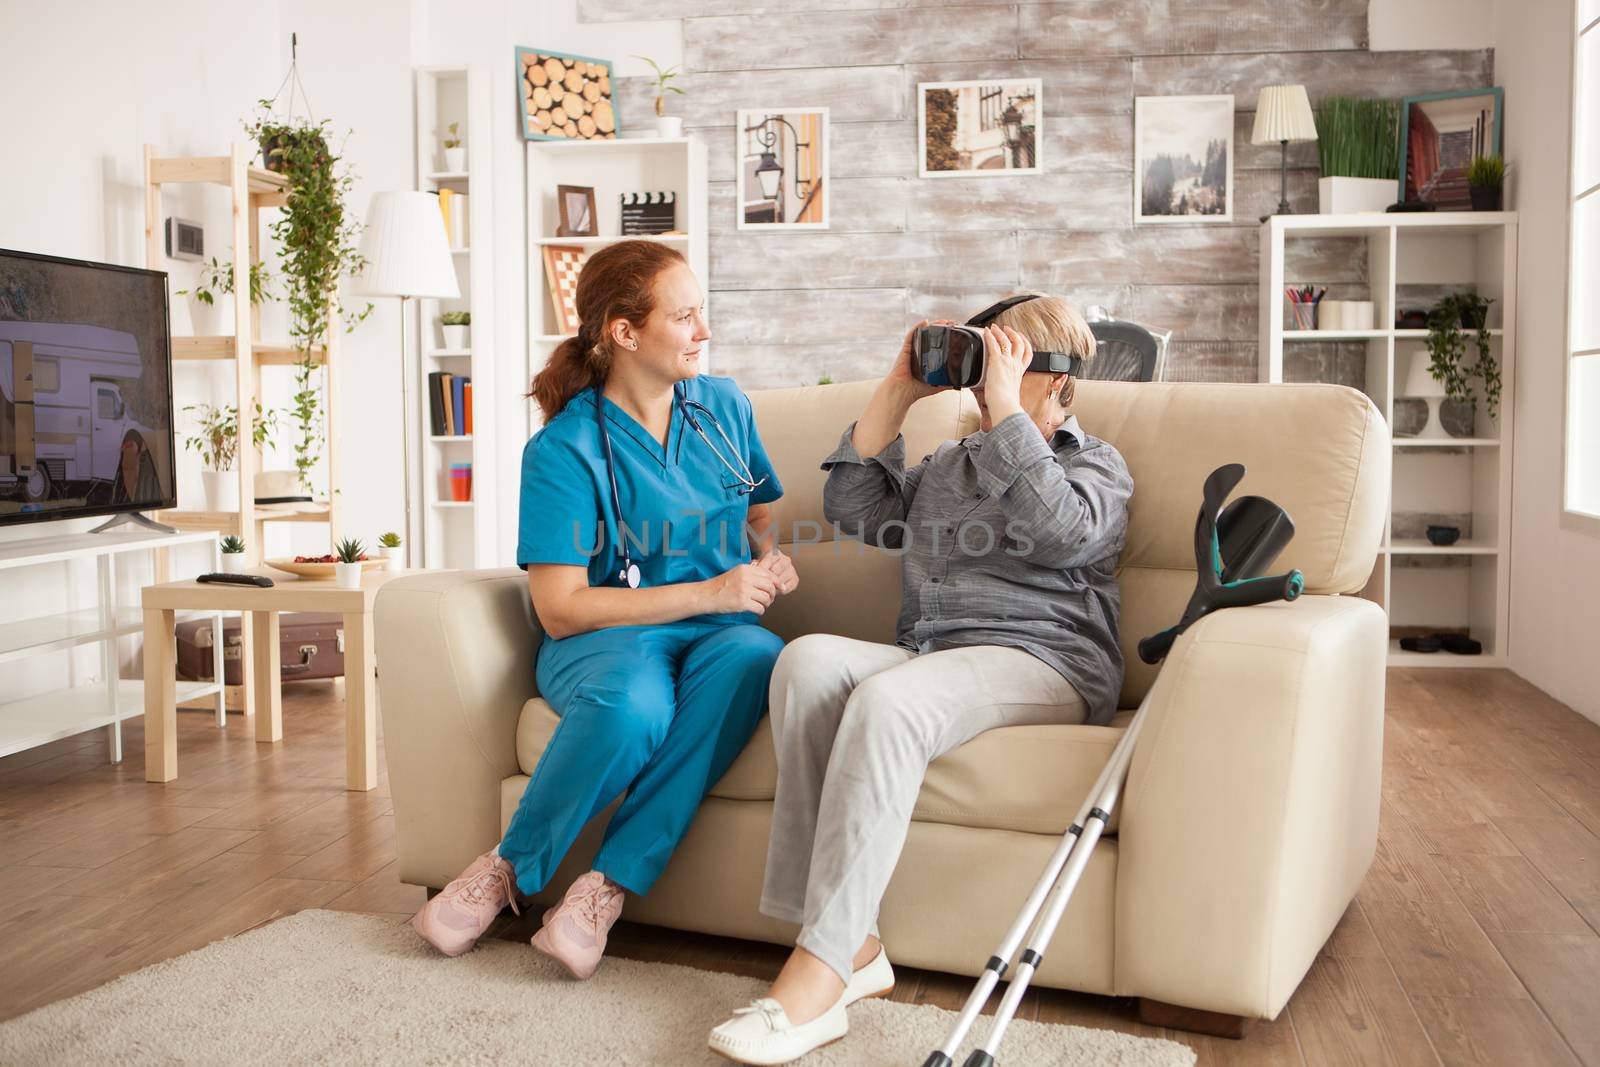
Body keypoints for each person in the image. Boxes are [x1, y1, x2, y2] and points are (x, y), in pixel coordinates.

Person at [708, 295, 1133, 1065]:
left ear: (1056, 376)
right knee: (805, 662)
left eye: (1006, 359)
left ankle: (818, 977)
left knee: (890, 699)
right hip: (938, 650)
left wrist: (1007, 409)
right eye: (984, 359)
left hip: (1046, 659)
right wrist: (899, 391)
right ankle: (852, 944)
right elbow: (855, 507)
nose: (985, 378)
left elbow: (1062, 532)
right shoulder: (948, 464)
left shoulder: (1093, 462)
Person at [411, 240, 799, 980]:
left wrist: (764, 561)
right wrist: (709, 592)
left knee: (758, 655)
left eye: (700, 314)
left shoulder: (723, 407)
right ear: (625, 331)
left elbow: (761, 509)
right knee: (631, 709)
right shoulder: (564, 449)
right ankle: (506, 870)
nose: (703, 332)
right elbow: (559, 609)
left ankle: (602, 887)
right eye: (684, 318)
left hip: (719, 635)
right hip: (607, 638)